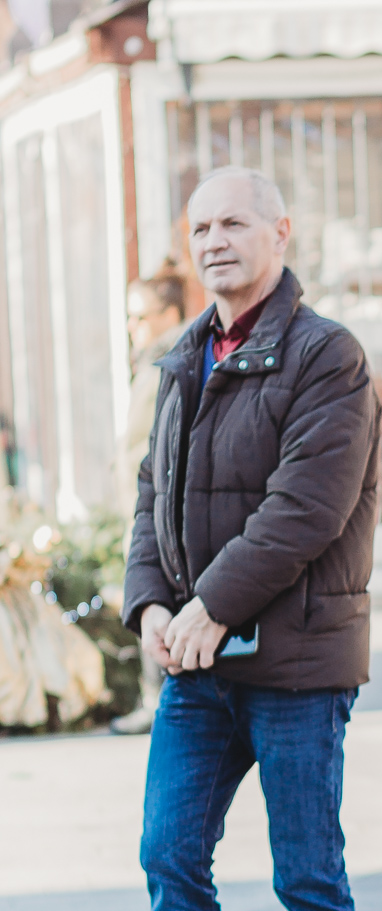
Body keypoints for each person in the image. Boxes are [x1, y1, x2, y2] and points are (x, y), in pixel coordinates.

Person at [122, 165, 380, 911]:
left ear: (281, 230)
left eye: (234, 221)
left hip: (297, 663)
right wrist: (150, 601)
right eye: (200, 226)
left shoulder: (328, 355)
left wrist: (211, 606)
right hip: (199, 660)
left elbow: (304, 508)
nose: (214, 240)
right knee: (167, 853)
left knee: (305, 870)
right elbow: (153, 493)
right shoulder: (185, 355)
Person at [111, 267, 189, 736]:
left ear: (170, 314)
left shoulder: (174, 359)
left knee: (158, 602)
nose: (132, 326)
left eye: (141, 316)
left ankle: (160, 701)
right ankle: (155, 699)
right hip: (143, 510)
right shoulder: (151, 359)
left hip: (158, 511)